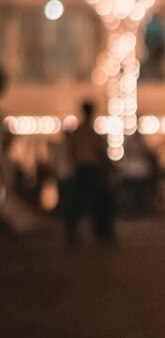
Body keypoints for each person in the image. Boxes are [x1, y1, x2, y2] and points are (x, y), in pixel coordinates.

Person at [63, 101, 116, 245]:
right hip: (91, 170)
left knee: (78, 203)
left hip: (82, 170)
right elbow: (101, 154)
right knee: (102, 201)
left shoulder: (79, 132)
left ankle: (74, 234)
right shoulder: (91, 134)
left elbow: (71, 152)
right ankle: (102, 233)